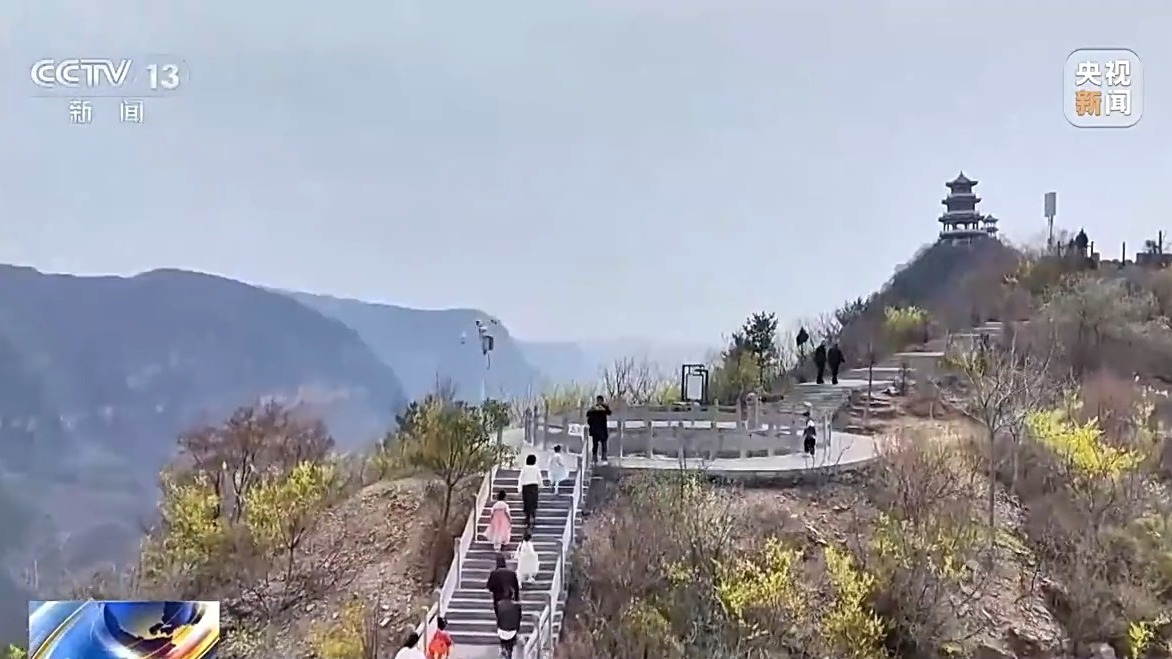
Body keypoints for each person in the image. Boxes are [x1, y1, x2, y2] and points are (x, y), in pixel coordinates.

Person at [495, 588, 523, 658]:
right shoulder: (517, 606)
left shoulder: (499, 604)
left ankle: (503, 649)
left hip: (501, 631)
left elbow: (498, 618)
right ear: (512, 595)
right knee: (510, 645)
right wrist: (517, 630)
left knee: (504, 641)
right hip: (512, 631)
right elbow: (518, 619)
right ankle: (508, 652)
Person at [517, 454, 543, 531]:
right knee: (534, 502)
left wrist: (519, 489)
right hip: (534, 486)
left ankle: (527, 518)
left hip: (526, 487)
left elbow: (521, 479)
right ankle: (533, 516)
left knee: (527, 503)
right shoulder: (536, 468)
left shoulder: (524, 468)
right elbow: (539, 477)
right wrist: (541, 486)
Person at [586, 395, 612, 464]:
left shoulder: (604, 408)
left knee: (604, 444)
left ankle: (604, 457)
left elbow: (609, 413)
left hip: (602, 429)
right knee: (595, 445)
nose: (599, 402)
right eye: (598, 400)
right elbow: (588, 414)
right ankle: (594, 458)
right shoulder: (593, 408)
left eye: (601, 400)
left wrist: (605, 408)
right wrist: (592, 410)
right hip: (595, 430)